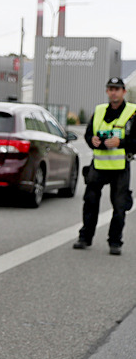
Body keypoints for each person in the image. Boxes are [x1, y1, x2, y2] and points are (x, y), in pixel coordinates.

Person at [73, 77, 136, 255]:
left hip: (120, 166)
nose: (113, 92)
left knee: (119, 206)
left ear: (123, 91)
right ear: (107, 91)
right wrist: (92, 141)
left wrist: (121, 142)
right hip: (99, 165)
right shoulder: (99, 110)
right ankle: (85, 237)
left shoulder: (133, 112)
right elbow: (88, 135)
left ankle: (115, 242)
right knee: (90, 203)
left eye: (117, 89)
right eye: (110, 89)